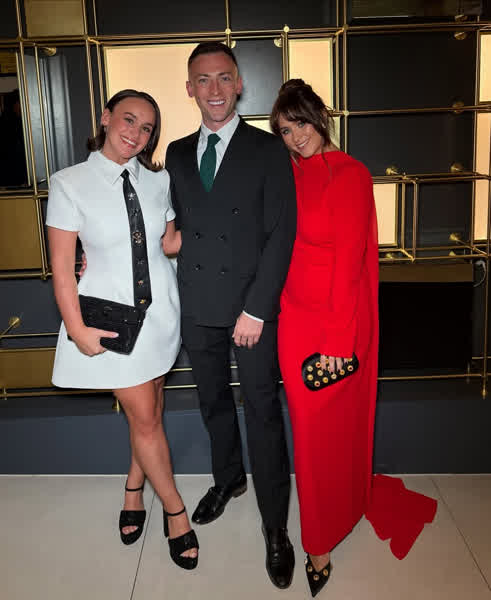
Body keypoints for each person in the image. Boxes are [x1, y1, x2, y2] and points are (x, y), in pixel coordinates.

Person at [162, 42, 297, 588]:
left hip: (251, 311)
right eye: (203, 79)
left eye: (224, 78)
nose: (214, 89)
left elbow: (281, 234)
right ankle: (228, 479)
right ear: (189, 88)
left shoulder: (268, 149)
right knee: (212, 401)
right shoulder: (175, 153)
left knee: (262, 411)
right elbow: (165, 221)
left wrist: (256, 309)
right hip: (198, 303)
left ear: (239, 85)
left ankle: (275, 526)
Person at [46, 89, 198, 570]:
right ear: (106, 117)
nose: (136, 133)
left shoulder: (158, 181)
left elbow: (169, 243)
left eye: (147, 128)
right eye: (128, 120)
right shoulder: (69, 183)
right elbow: (62, 267)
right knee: (147, 419)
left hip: (161, 315)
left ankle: (134, 487)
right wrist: (76, 329)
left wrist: (221, 229)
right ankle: (176, 512)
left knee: (149, 411)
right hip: (112, 321)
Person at [270, 79, 379, 597]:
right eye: (285, 130)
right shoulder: (287, 173)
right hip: (292, 319)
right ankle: (324, 524)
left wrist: (338, 339)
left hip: (336, 322)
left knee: (327, 435)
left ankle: (319, 540)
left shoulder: (350, 174)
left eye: (301, 123)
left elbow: (351, 263)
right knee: (310, 434)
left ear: (320, 116)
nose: (296, 137)